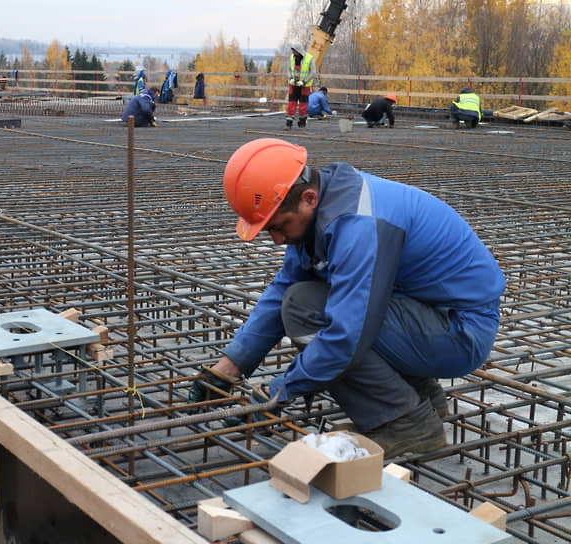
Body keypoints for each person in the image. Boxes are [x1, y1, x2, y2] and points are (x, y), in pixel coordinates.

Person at [189, 138, 505, 458]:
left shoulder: (357, 225)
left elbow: (346, 337)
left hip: (460, 331)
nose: (277, 239)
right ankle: (422, 399)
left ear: (308, 198)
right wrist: (229, 366)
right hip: (428, 316)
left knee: (306, 312)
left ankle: (407, 424)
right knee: (302, 298)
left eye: (279, 226)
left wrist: (283, 389)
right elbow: (285, 285)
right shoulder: (327, 205)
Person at [284, 45, 316, 130]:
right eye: (293, 51)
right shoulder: (292, 57)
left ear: (299, 50)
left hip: (304, 85)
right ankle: (288, 124)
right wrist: (290, 78)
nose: (294, 53)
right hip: (293, 84)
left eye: (295, 51)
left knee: (303, 104)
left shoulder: (309, 58)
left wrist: (304, 81)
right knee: (291, 104)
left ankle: (302, 124)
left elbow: (313, 72)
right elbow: (288, 69)